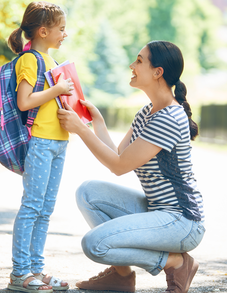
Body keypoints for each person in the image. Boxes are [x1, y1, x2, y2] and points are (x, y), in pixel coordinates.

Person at [57, 40, 205, 293]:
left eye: (139, 61)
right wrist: (97, 123)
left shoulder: (169, 117)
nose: (131, 65)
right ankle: (121, 277)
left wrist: (81, 130)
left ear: (158, 72)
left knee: (95, 244)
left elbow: (119, 166)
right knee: (88, 192)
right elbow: (117, 154)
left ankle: (176, 262)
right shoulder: (148, 112)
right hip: (157, 211)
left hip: (182, 221)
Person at [6, 1, 74, 292]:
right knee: (32, 206)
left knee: (45, 209)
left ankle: (35, 268)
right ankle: (20, 273)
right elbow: (25, 102)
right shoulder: (30, 60)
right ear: (43, 31)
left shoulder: (54, 62)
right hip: (41, 142)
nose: (65, 34)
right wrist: (57, 90)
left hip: (59, 141)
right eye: (61, 29)